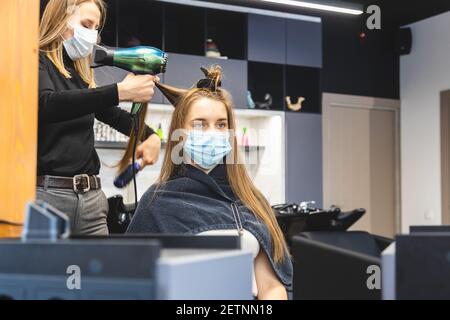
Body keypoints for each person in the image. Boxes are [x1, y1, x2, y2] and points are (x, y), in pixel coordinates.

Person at [127, 65, 293, 300]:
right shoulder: (157, 202)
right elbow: (133, 284)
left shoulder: (252, 201)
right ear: (180, 133)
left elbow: (271, 288)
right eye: (200, 124)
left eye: (221, 124)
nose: (212, 133)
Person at [37, 0, 161, 235]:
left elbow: (110, 113)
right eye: (86, 24)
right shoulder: (36, 61)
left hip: (92, 202)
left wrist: (151, 136)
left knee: (100, 272)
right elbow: (46, 104)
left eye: (96, 28)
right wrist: (119, 92)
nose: (92, 35)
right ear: (61, 19)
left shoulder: (81, 74)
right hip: (48, 200)